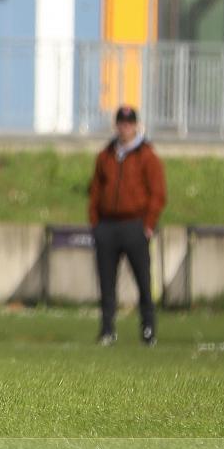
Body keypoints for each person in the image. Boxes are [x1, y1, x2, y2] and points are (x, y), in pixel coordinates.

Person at [88, 105, 167, 347]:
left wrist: (148, 224)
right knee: (106, 282)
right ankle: (107, 330)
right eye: (121, 124)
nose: (125, 128)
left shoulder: (146, 155)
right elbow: (95, 190)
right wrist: (95, 223)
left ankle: (148, 328)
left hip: (135, 224)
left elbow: (158, 193)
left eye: (129, 124)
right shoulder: (106, 154)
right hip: (107, 225)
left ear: (135, 126)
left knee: (143, 280)